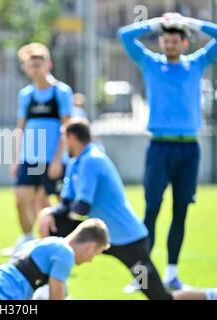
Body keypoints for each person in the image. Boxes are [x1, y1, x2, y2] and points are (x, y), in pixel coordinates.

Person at [38, 119, 217, 300]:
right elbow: (67, 203)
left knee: (160, 298)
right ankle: (47, 290)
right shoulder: (75, 163)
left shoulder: (92, 160)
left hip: (129, 242)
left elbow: (82, 207)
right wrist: (49, 213)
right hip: (100, 236)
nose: (61, 143)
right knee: (53, 226)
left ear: (73, 136)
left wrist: (58, 212)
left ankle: (210, 295)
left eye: (63, 138)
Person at [119, 12, 217, 290]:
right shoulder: (150, 63)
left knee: (181, 210)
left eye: (175, 40)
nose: (170, 44)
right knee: (151, 209)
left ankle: (172, 273)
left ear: (184, 43)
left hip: (189, 149)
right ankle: (143, 277)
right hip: (159, 148)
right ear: (161, 41)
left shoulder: (196, 64)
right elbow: (125, 35)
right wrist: (157, 22)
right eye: (166, 40)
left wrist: (191, 22)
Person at [8, 42, 72, 253]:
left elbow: (66, 128)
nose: (35, 68)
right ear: (25, 68)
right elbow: (20, 129)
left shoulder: (61, 92)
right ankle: (27, 240)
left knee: (56, 205)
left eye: (38, 63)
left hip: (53, 160)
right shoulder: (25, 95)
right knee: (20, 200)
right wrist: (16, 158)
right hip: (29, 158)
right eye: (30, 64)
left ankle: (62, 245)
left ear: (48, 64)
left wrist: (57, 159)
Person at [0, 218, 110, 300]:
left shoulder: (38, 243)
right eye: (95, 254)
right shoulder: (65, 253)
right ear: (91, 246)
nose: (90, 260)